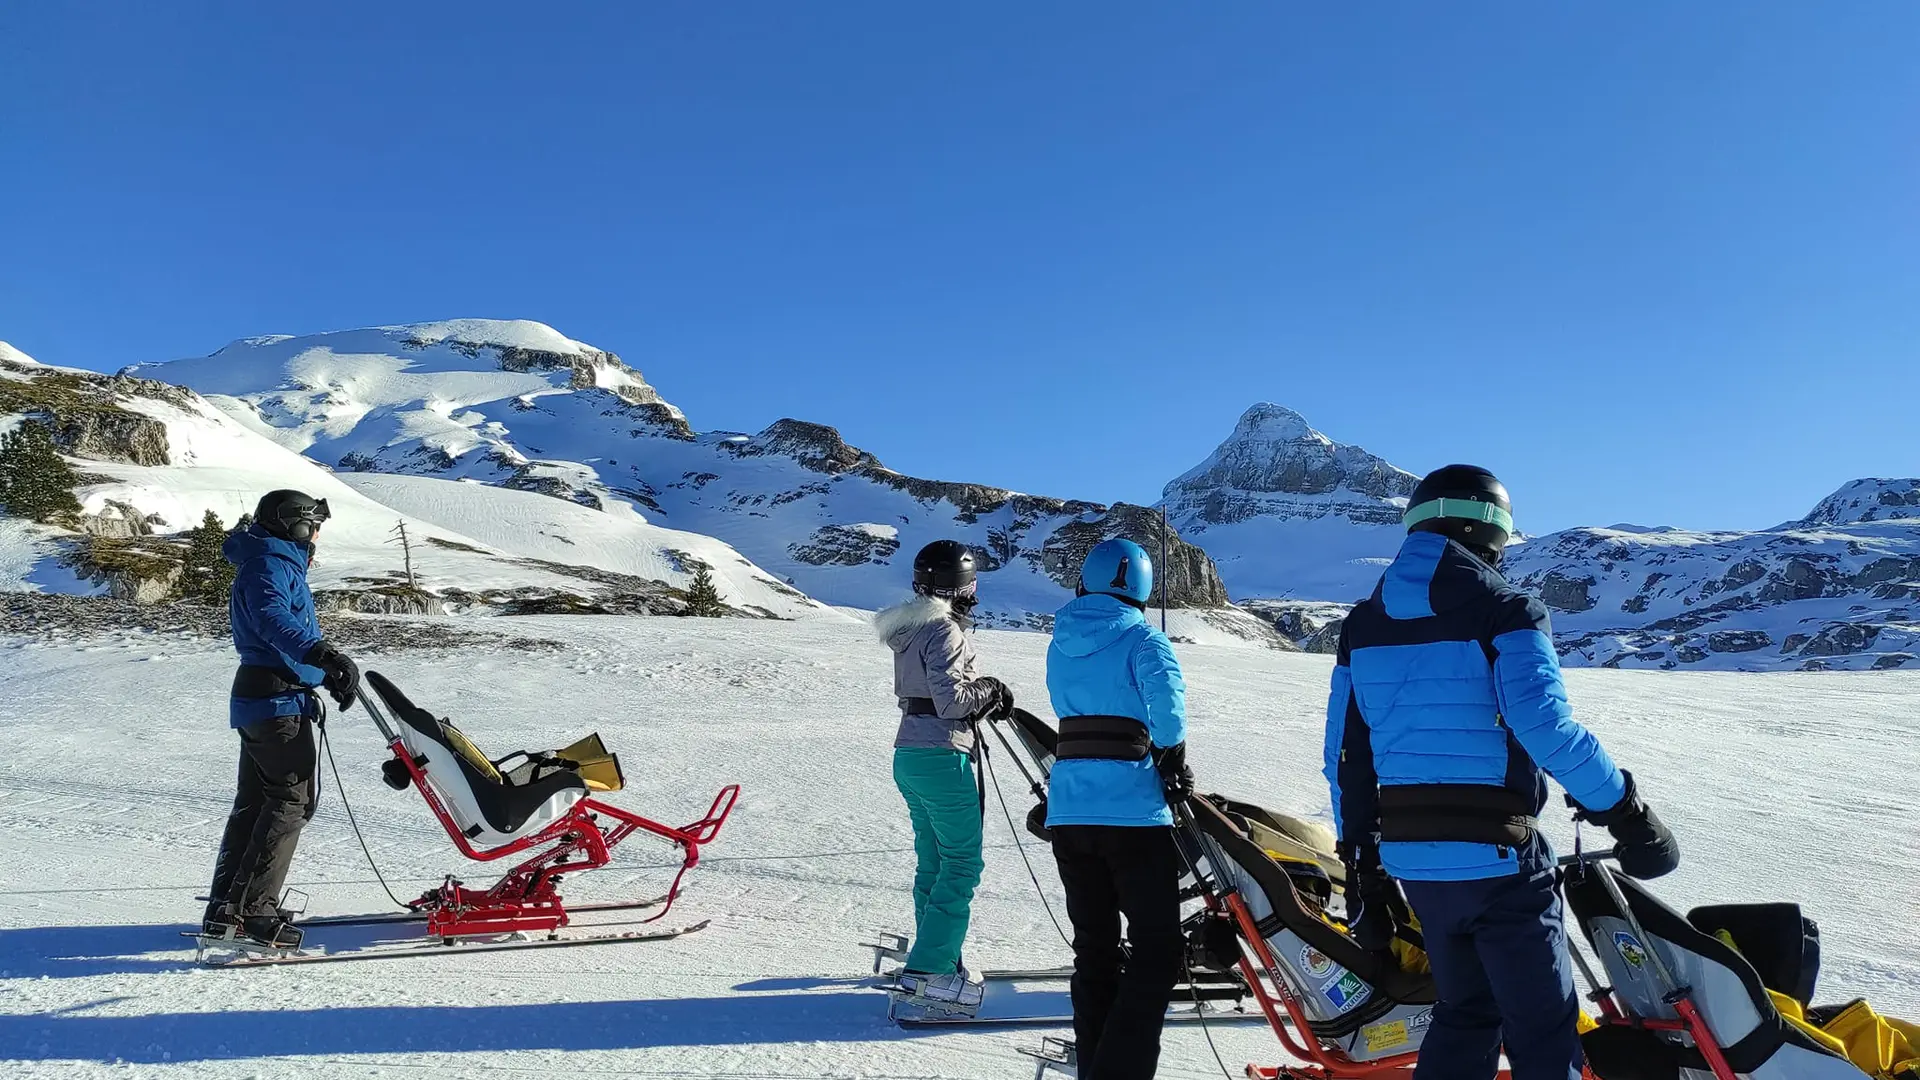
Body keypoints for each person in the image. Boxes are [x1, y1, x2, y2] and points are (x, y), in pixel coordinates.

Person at [1324, 465, 1680, 1080]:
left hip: (1414, 862)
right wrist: (1628, 815)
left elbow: (1346, 758)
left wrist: (1361, 863)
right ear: (1489, 533)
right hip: (1501, 860)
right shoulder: (1507, 610)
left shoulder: (1362, 626)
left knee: (1465, 1012)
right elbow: (1545, 726)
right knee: (1543, 1029)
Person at [1045, 539, 1193, 1080]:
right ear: (1141, 588)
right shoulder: (1144, 639)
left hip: (1070, 810)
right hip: (1132, 813)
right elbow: (1170, 719)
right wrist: (1173, 757)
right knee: (1156, 952)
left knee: (1095, 953)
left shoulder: (1059, 641)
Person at [203, 490, 361, 948]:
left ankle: (226, 909)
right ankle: (253, 911)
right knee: (291, 800)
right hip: (274, 700)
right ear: (292, 524)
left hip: (272, 693)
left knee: (257, 802)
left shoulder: (273, 561)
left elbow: (281, 630)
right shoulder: (269, 564)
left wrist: (321, 671)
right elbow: (273, 620)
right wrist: (321, 654)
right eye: (313, 524)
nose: (316, 534)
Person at [875, 539, 1014, 1013]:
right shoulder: (945, 631)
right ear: (960, 585)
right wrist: (989, 689)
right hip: (941, 752)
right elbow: (953, 701)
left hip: (908, 752)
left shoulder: (910, 629)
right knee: (961, 864)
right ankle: (932, 970)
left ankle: (934, 958)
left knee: (933, 861)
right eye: (972, 582)